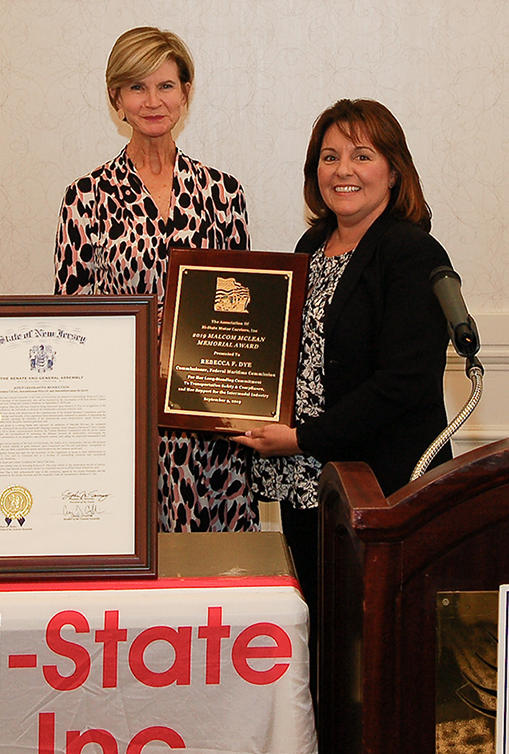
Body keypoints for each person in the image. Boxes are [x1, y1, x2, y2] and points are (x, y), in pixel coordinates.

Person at [235, 98, 452, 665]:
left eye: (362, 155)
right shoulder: (311, 247)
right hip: (310, 486)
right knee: (320, 644)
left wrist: (303, 438)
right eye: (328, 157)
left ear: (393, 169)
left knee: (373, 654)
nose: (342, 170)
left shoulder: (412, 252)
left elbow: (403, 385)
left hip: (378, 489)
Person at [54, 26, 257, 532]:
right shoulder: (85, 197)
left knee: (216, 581)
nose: (152, 100)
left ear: (186, 94)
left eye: (165, 85)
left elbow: (242, 313)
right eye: (137, 87)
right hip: (124, 417)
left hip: (208, 422)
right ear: (116, 99)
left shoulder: (223, 192)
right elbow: (70, 318)